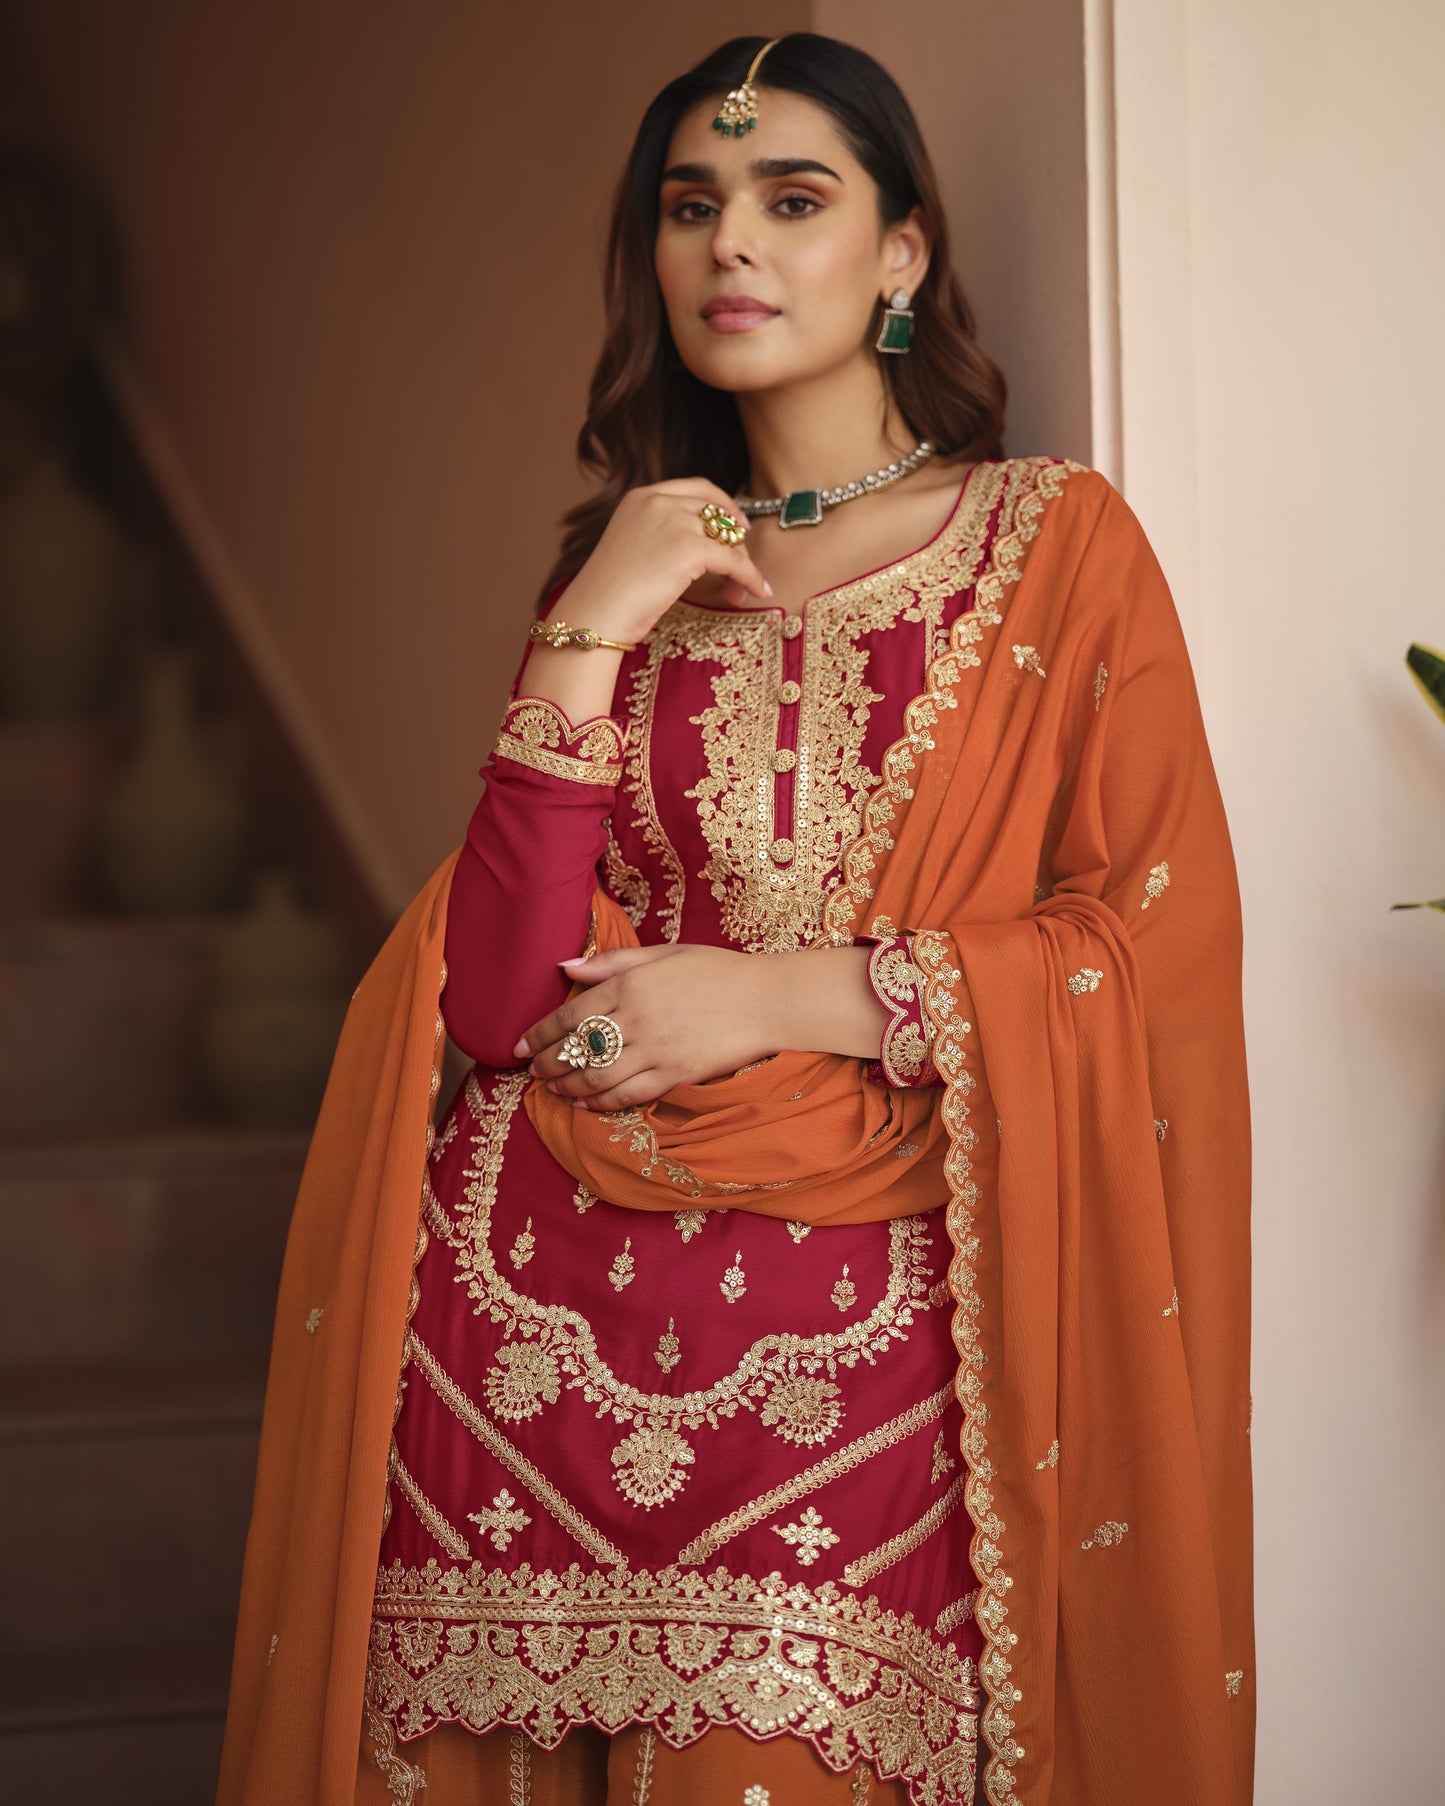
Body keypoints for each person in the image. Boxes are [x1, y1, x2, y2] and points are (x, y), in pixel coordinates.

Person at [216, 33, 1254, 1806]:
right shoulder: (617, 572)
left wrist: (781, 990)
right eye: (691, 206)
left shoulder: (1053, 545)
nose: (731, 247)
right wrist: (589, 621)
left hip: (869, 1320)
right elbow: (493, 997)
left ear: (903, 254)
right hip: (528, 1321)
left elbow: (1138, 949)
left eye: (793, 199)